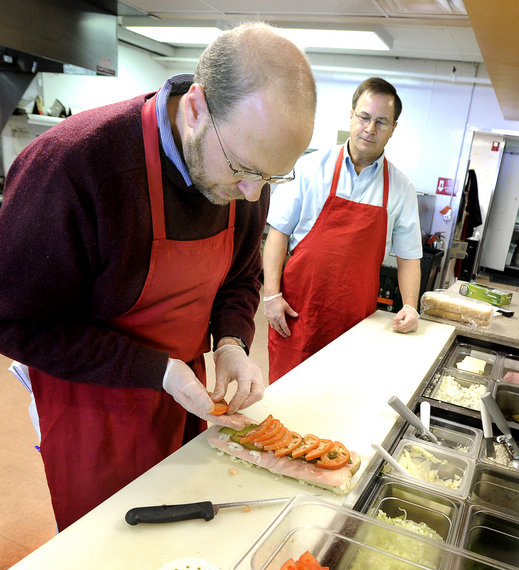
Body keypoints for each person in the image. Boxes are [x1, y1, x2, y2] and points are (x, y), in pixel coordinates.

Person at [0, 22, 316, 529]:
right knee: (108, 550)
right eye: (243, 168)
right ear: (195, 109)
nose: (254, 194)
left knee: (183, 529)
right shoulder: (75, 167)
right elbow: (15, 322)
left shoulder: (248, 171)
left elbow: (241, 277)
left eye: (271, 177)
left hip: (185, 401)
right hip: (94, 413)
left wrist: (232, 341)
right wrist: (156, 370)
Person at [263, 77, 422, 383]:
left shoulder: (401, 189)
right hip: (297, 314)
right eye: (364, 117)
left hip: (355, 321)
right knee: (285, 402)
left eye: (381, 122)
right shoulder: (310, 168)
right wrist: (271, 295)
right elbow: (278, 233)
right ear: (351, 116)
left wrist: (411, 306)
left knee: (337, 402)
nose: (370, 129)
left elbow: (410, 257)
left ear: (393, 129)